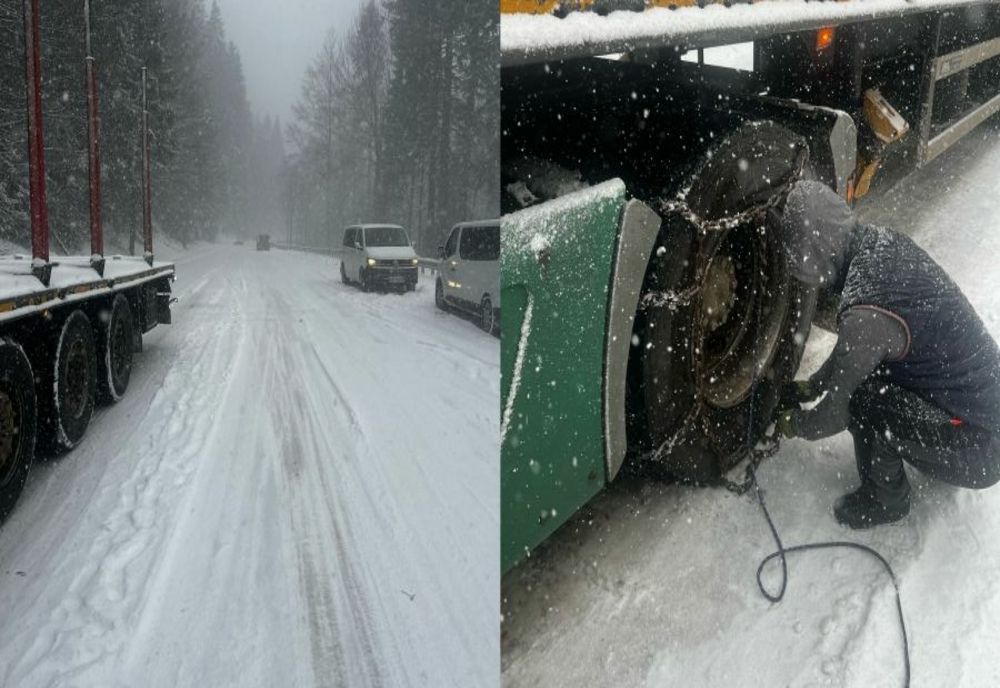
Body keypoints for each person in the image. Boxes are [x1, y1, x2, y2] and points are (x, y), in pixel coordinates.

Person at [774, 180, 1000, 528]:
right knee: (871, 376)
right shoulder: (879, 243)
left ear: (817, 254)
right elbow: (857, 353)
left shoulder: (864, 314)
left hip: (982, 448)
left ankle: (886, 499)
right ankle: (924, 440)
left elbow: (835, 414)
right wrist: (812, 386)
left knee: (864, 400)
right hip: (982, 413)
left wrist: (793, 423)